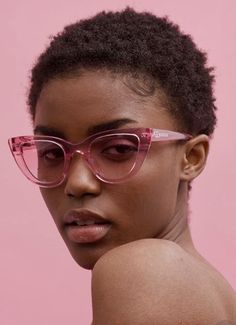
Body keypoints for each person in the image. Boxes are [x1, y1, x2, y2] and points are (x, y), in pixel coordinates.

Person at [8, 7, 236, 324]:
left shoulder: (146, 272)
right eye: (52, 153)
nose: (76, 183)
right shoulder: (210, 292)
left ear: (191, 157)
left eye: (117, 148)